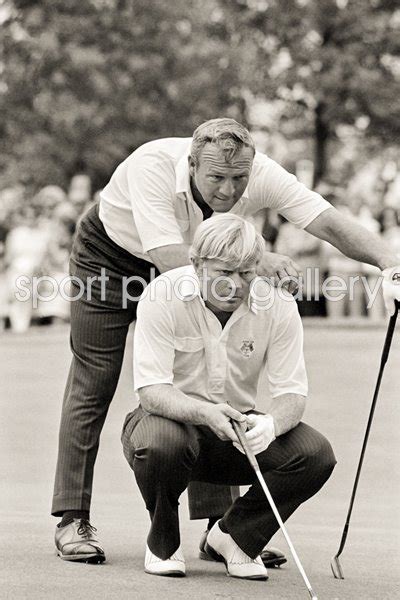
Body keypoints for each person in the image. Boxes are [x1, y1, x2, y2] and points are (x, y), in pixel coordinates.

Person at [52, 117, 400, 563]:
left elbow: (327, 222)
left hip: (208, 264)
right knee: (95, 377)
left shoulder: (262, 172)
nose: (228, 191)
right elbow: (171, 260)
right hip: (110, 259)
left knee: (206, 366)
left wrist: (390, 263)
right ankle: (71, 517)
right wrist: (252, 260)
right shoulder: (152, 167)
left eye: (239, 179)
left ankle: (223, 530)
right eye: (216, 177)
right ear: (192, 163)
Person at [121, 214, 336, 578]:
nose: (237, 285)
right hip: (170, 422)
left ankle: (234, 536)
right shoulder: (163, 294)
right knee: (161, 442)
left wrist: (270, 424)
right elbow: (152, 392)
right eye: (224, 273)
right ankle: (163, 540)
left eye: (248, 273)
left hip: (238, 429)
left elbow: (292, 393)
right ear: (196, 264)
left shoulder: (277, 303)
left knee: (314, 455)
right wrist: (206, 414)